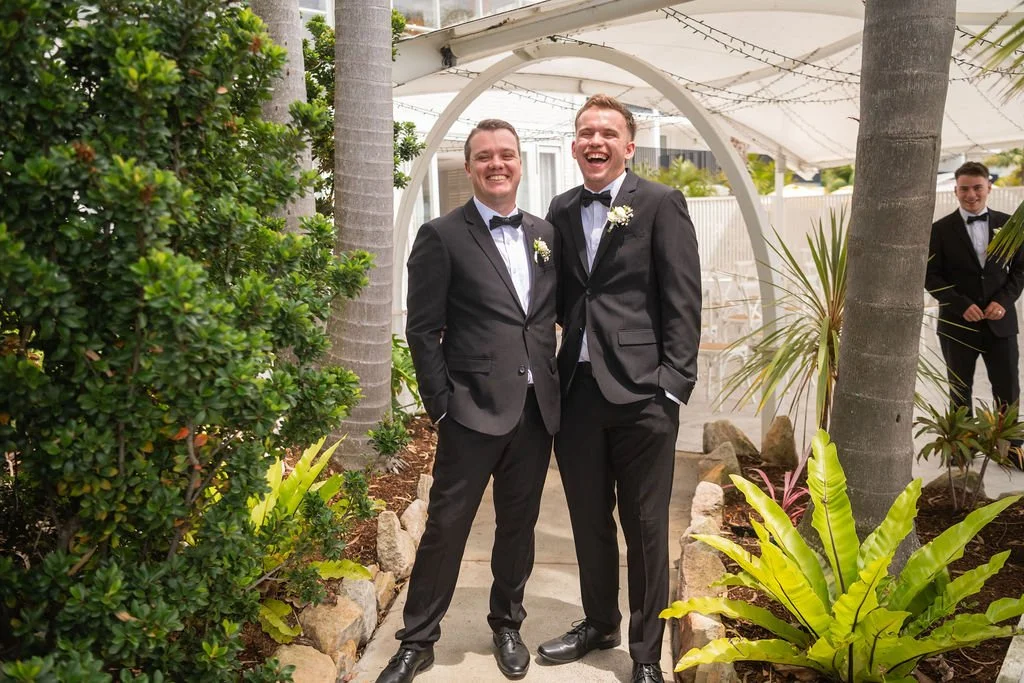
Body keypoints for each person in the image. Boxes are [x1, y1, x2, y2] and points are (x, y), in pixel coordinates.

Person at [375, 119, 560, 683]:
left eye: (506, 154)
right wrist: (441, 405)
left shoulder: (543, 233)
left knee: (518, 526)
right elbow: (422, 329)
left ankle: (507, 624)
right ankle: (417, 640)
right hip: (470, 411)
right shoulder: (442, 235)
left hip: (536, 410)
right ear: (470, 166)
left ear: (520, 162)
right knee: (446, 528)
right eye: (484, 156)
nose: (496, 164)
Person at [537, 94, 701, 683]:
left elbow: (683, 298)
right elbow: (558, 297)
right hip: (577, 393)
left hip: (644, 397)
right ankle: (599, 621)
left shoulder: (659, 202)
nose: (595, 141)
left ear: (628, 146)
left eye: (607, 133)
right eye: (586, 132)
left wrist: (672, 386)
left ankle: (646, 652)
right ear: (574, 145)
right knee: (588, 519)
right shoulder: (559, 210)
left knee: (646, 526)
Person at [926, 160, 1024, 463]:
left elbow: (1020, 271)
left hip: (1000, 324)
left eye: (977, 187)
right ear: (955, 191)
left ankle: (1011, 450)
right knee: (959, 388)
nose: (971, 194)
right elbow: (930, 275)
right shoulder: (939, 230)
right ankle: (962, 451)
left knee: (1008, 388)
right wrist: (960, 304)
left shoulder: (1011, 225)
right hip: (957, 325)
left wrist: (1003, 301)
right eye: (964, 189)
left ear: (989, 187)